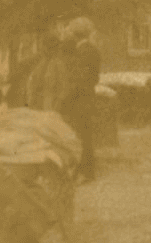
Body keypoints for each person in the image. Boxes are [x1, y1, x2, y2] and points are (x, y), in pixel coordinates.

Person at [30, 17, 103, 180]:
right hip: (85, 98)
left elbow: (80, 79)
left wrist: (67, 97)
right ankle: (84, 171)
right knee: (83, 136)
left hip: (81, 100)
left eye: (70, 30)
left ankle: (86, 172)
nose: (68, 34)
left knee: (83, 136)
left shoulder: (85, 51)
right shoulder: (89, 50)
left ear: (76, 33)